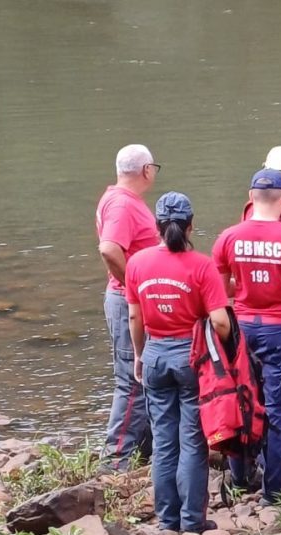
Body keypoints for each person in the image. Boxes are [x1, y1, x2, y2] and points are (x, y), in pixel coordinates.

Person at [213, 168, 281, 504]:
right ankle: (274, 490)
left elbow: (219, 294)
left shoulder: (228, 238)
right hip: (280, 330)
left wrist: (246, 284)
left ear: (250, 199)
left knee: (241, 402)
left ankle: (239, 475)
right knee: (277, 410)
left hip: (242, 329)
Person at [126, 192, 231, 532]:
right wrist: (227, 353)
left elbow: (134, 316)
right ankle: (192, 521)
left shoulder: (137, 264)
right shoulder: (201, 265)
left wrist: (140, 355)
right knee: (192, 440)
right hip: (191, 357)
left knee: (164, 440)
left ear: (156, 226)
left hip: (155, 354)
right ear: (191, 226)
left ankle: (167, 520)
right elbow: (220, 322)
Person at [95, 143, 160, 471]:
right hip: (126, 301)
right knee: (132, 379)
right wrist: (134, 288)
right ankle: (115, 461)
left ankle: (144, 451)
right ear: (147, 170)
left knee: (145, 374)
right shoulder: (122, 204)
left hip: (127, 299)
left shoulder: (122, 199)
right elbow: (109, 248)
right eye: (154, 168)